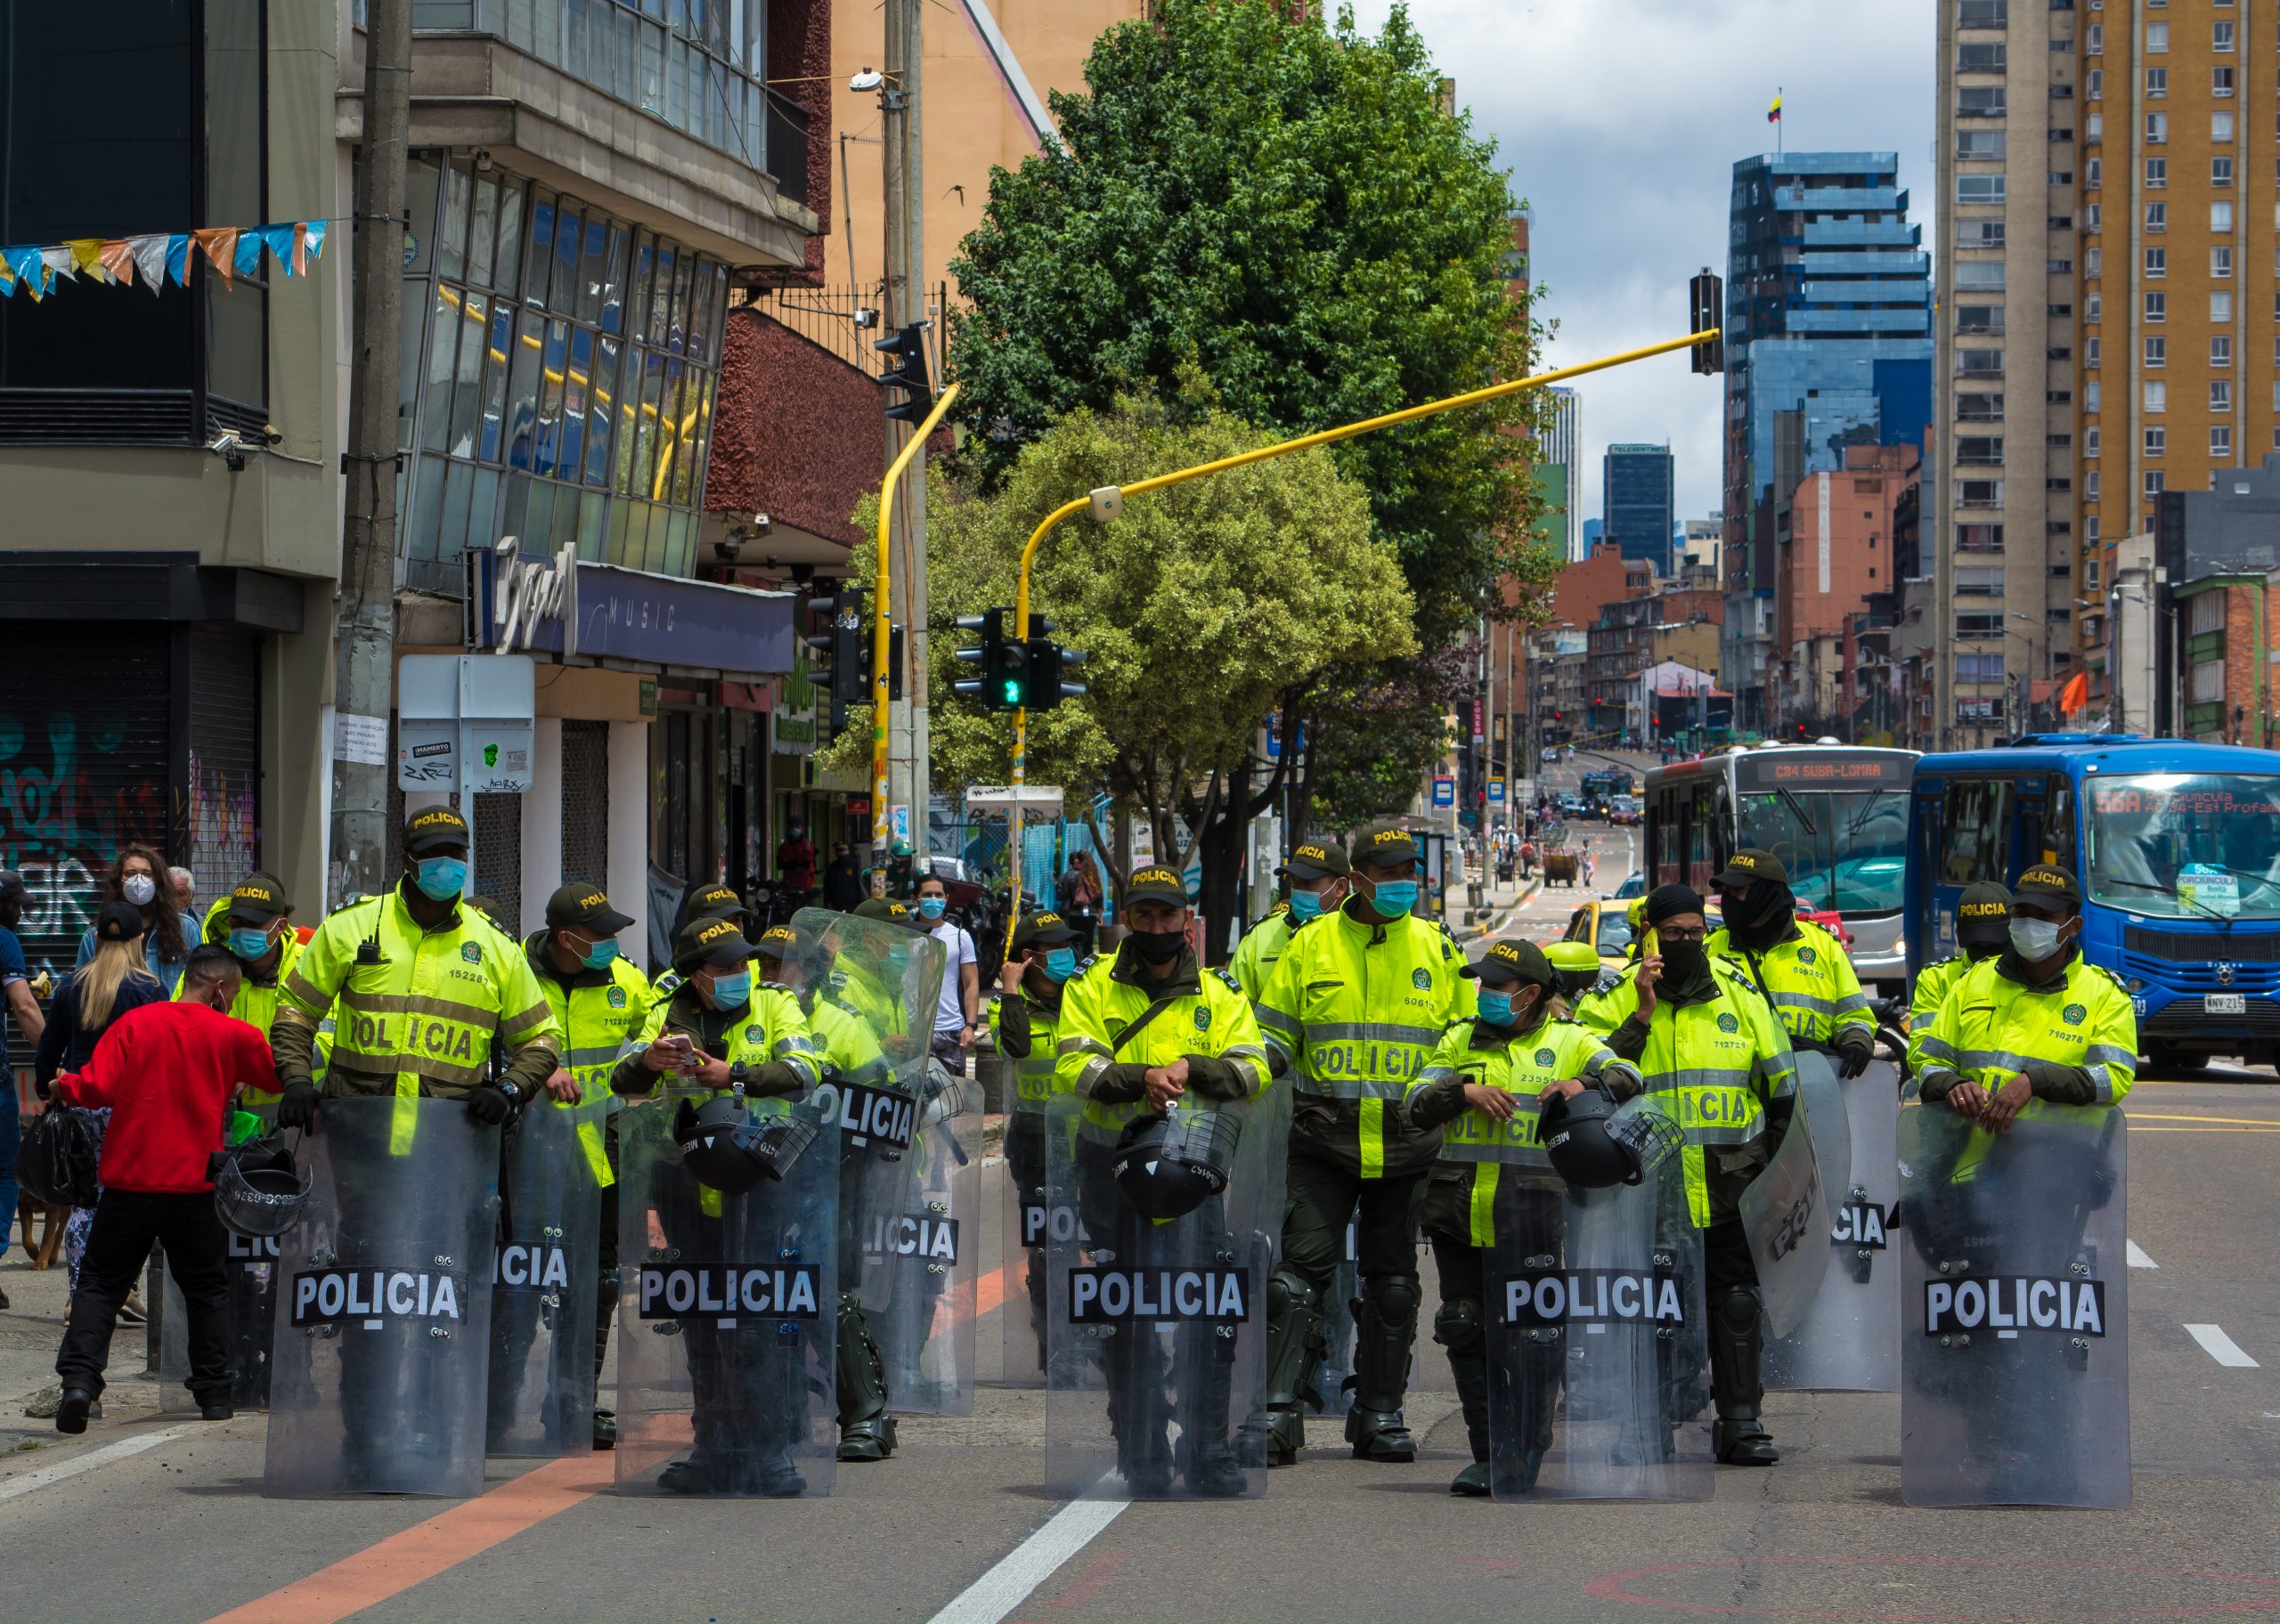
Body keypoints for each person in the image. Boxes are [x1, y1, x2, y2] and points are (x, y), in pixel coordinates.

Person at [1255, 823, 1474, 1466]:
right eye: (1390, 872)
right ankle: (1277, 1412)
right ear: (1355, 880)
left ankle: (1379, 1414)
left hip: (1407, 1149)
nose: (1403, 883)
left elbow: (1464, 1039)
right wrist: (1230, 1072)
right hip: (1322, 1141)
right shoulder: (1310, 945)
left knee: (1395, 1286)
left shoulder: (1437, 948)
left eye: (1411, 871)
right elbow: (1271, 1038)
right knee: (1297, 1281)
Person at [1563, 882, 1798, 1465]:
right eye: (1674, 934)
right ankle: (1649, 1426)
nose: (1687, 943)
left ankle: (1741, 1422)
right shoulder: (1613, 999)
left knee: (1736, 1303)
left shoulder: (1741, 999)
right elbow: (1586, 1084)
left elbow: (1783, 1092)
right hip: (1648, 1189)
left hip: (1732, 1183)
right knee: (1653, 1309)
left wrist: (1775, 1175)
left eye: (1697, 933)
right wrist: (1641, 1016)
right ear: (1651, 935)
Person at [1054, 865, 1271, 1495]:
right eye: (1143, 916)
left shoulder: (1219, 993)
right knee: (1128, 1314)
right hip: (1110, 1168)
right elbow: (1075, 1064)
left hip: (1194, 1173)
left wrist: (1193, 1068)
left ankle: (1207, 1452)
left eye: (1166, 916)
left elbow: (1252, 1068)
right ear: (1127, 917)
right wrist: (1142, 1076)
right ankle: (1142, 1446)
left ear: (1187, 920)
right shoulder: (1092, 984)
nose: (1155, 928)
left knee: (1205, 1311)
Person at [1405, 940, 1641, 1493]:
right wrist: (1462, 1092)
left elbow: (1629, 1074)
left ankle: (1527, 1447)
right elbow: (1414, 1099)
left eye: (1497, 986)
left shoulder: (1570, 1039)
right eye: (1481, 984)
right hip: (1458, 1209)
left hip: (1532, 1214)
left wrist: (1586, 1084)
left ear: (1532, 994)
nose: (1484, 993)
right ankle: (1489, 1453)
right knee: (1463, 1326)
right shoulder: (1460, 1038)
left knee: (1532, 1336)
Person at [612, 914, 821, 1494]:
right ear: (695, 977)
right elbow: (622, 1079)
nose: (739, 973)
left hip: (762, 1188)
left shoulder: (774, 1005)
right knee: (701, 1328)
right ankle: (714, 1449)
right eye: (725, 967)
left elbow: (805, 1073)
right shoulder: (664, 1016)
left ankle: (768, 1454)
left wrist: (738, 1076)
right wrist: (648, 1063)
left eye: (742, 963)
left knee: (756, 1326)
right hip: (684, 1188)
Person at [46, 946, 277, 1431]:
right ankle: (215, 1394)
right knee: (206, 1289)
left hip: (130, 1182)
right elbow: (274, 1080)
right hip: (194, 1187)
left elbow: (97, 1089)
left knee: (101, 1284)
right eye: (232, 993)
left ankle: (80, 1384)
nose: (231, 1002)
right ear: (219, 989)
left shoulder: (137, 1024)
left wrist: (64, 1085)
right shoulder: (236, 1034)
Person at [269, 807, 563, 1123]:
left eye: (455, 852)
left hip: (452, 1133)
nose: (445, 862)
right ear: (407, 859)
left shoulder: (496, 946)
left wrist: (510, 1089)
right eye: (432, 852)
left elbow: (542, 1037)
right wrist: (297, 1080)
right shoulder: (350, 926)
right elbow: (296, 1008)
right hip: (355, 1127)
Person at [522, 882, 653, 1449]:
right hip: (526, 1152)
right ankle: (495, 1402)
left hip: (603, 1153)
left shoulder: (627, 981)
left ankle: (573, 1402)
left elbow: (651, 1037)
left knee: (594, 1284)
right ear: (565, 938)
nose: (610, 945)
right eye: (599, 937)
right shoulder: (515, 974)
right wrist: (532, 1068)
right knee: (521, 1279)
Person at [1914, 865, 2138, 1123]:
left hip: (2060, 1156)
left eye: (2044, 915)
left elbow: (2114, 1078)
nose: (2030, 923)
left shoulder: (2105, 995)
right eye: (2022, 913)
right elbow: (1929, 1061)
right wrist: (1952, 1085)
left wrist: (2035, 1082)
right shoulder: (1974, 980)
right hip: (1971, 1158)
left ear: (2074, 926)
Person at [38, 900, 171, 1318]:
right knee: (128, 1202)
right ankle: (121, 1287)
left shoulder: (71, 985)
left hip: (81, 1105)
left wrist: (51, 1089)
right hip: (130, 1110)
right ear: (140, 940)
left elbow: (47, 1053)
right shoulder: (150, 990)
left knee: (84, 1203)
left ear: (95, 939)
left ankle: (82, 1295)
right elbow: (159, 1056)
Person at [989, 909, 1083, 1370]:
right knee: (1047, 1246)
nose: (1068, 956)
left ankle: (1096, 1337)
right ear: (1030, 958)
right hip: (1035, 1140)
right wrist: (1010, 990)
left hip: (1088, 1136)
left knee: (1096, 1239)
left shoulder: (1084, 996)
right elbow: (1017, 1048)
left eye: (1071, 947)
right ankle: (1054, 1342)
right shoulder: (1006, 1005)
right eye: (1057, 949)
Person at [1706, 849, 1876, 1080]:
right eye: (1726, 892)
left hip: (1809, 1087)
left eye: (1738, 891)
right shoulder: (1709, 947)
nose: (1729, 900)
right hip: (1737, 1091)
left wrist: (1856, 1039)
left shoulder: (1822, 946)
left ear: (1767, 894)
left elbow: (1853, 1013)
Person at [179, 874, 302, 1108]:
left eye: (254, 925)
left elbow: (328, 1036)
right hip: (220, 1110)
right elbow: (181, 1026)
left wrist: (269, 1065)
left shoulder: (307, 965)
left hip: (290, 1110)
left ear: (281, 926)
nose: (243, 931)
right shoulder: (209, 967)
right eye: (237, 923)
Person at [1908, 881, 2014, 1076]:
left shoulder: (2029, 974)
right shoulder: (1937, 978)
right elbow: (1921, 1050)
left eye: (1992, 943)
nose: (1984, 948)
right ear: (1958, 934)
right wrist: (1949, 1084)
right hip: (1949, 1098)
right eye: (1976, 942)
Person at [0, 872, 45, 1307]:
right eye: (16, 904)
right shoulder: (4, 939)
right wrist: (52, 1059)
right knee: (5, 1167)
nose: (20, 912)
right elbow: (24, 1006)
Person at [1229, 839, 1348, 1003]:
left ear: (1340, 887)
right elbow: (1233, 1007)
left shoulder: (1359, 936)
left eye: (1308, 883)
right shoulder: (1260, 937)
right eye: (1294, 882)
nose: (1298, 890)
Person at [75, 844, 196, 995]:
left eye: (147, 874)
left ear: (157, 881)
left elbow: (199, 987)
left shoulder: (186, 929)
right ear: (119, 881)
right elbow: (81, 991)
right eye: (131, 873)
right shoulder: (95, 936)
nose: (139, 880)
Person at [914, 870, 979, 1072]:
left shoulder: (960, 937)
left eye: (938, 895)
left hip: (950, 1032)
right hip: (912, 1033)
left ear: (946, 898)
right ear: (915, 900)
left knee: (952, 1099)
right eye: (927, 895)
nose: (933, 900)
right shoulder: (903, 935)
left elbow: (971, 983)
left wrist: (970, 1025)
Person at [1057, 849, 1105, 954]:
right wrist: (1100, 916)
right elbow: (1100, 898)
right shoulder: (1094, 876)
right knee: (1089, 943)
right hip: (1091, 915)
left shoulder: (1068, 876)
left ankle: (1079, 967)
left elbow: (1061, 895)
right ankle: (1088, 966)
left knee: (1076, 943)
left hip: (1074, 914)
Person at [777, 818, 818, 903]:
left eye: (797, 826)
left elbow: (805, 864)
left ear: (802, 828)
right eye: (792, 826)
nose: (794, 828)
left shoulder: (807, 844)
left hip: (805, 887)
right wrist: (796, 863)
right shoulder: (784, 846)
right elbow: (779, 865)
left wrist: (788, 863)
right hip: (788, 888)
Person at [823, 841, 865, 913]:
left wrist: (860, 902)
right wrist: (827, 903)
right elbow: (827, 888)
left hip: (852, 905)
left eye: (844, 850)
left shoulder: (855, 864)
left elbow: (860, 884)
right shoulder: (831, 868)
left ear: (848, 851)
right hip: (836, 906)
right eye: (839, 851)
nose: (842, 853)